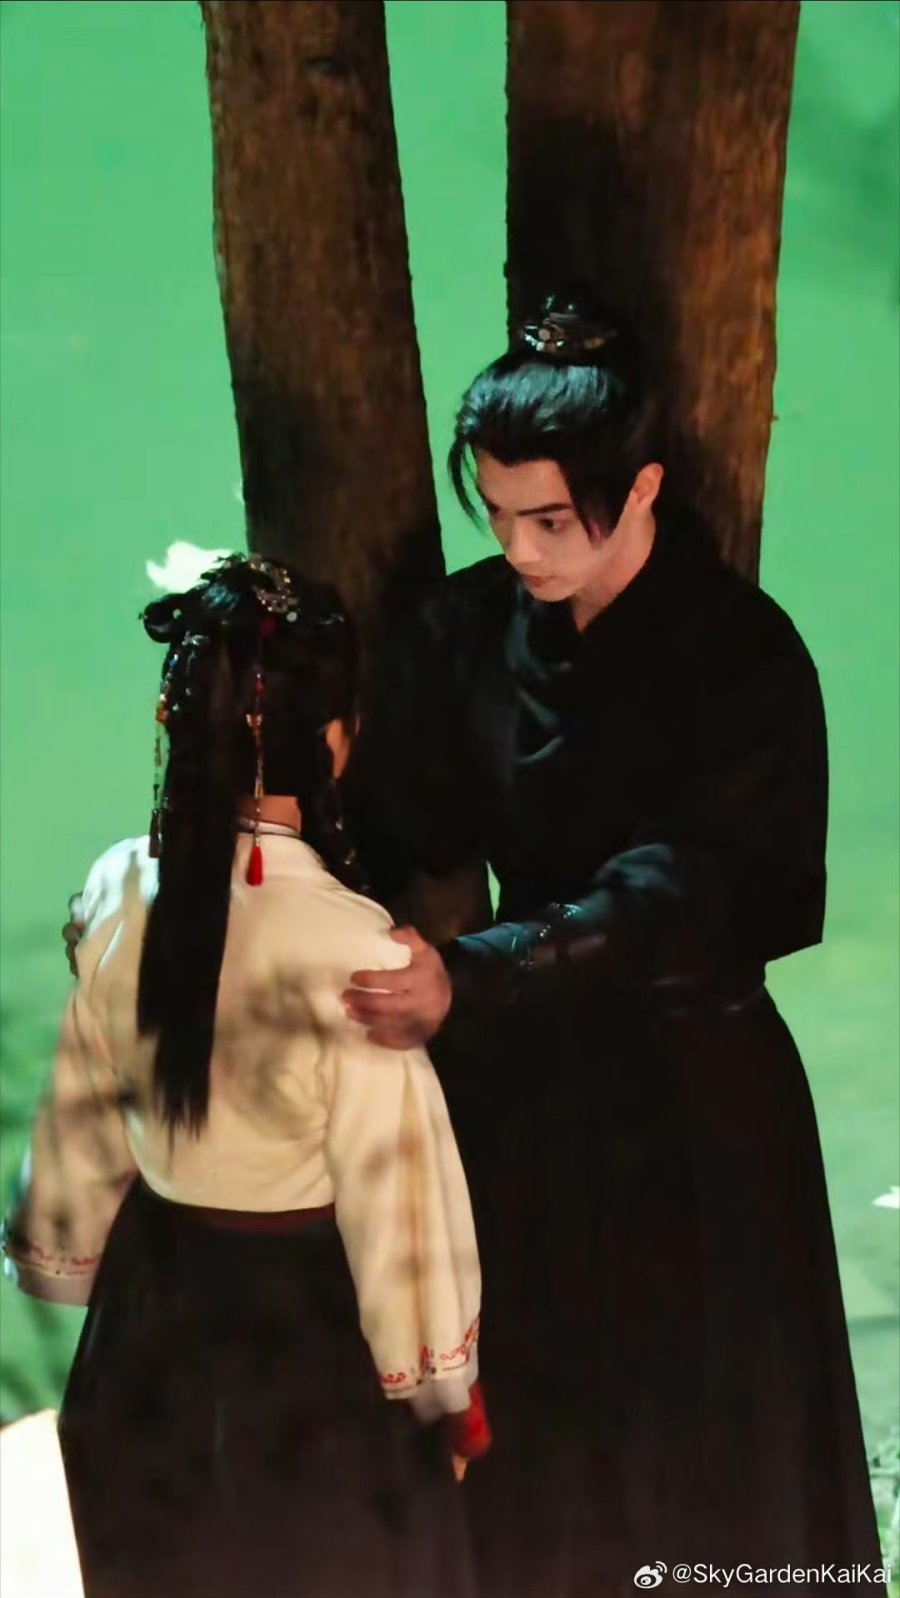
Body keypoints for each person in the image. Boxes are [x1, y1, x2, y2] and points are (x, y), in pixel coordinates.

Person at [342, 299, 883, 1593]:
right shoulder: (468, 629)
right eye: (497, 513)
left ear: (640, 488)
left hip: (694, 1096)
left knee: (709, 1453)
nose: (518, 548)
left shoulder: (743, 656)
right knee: (532, 1441)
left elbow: (695, 891)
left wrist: (477, 973)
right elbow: (392, 814)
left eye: (551, 519)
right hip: (520, 1092)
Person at [3, 555, 487, 1598]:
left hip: (146, 1329)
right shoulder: (355, 946)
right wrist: (445, 1386)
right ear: (335, 738)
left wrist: (60, 1250)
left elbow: (82, 1112)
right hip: (306, 1343)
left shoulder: (116, 888)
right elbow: (397, 1193)